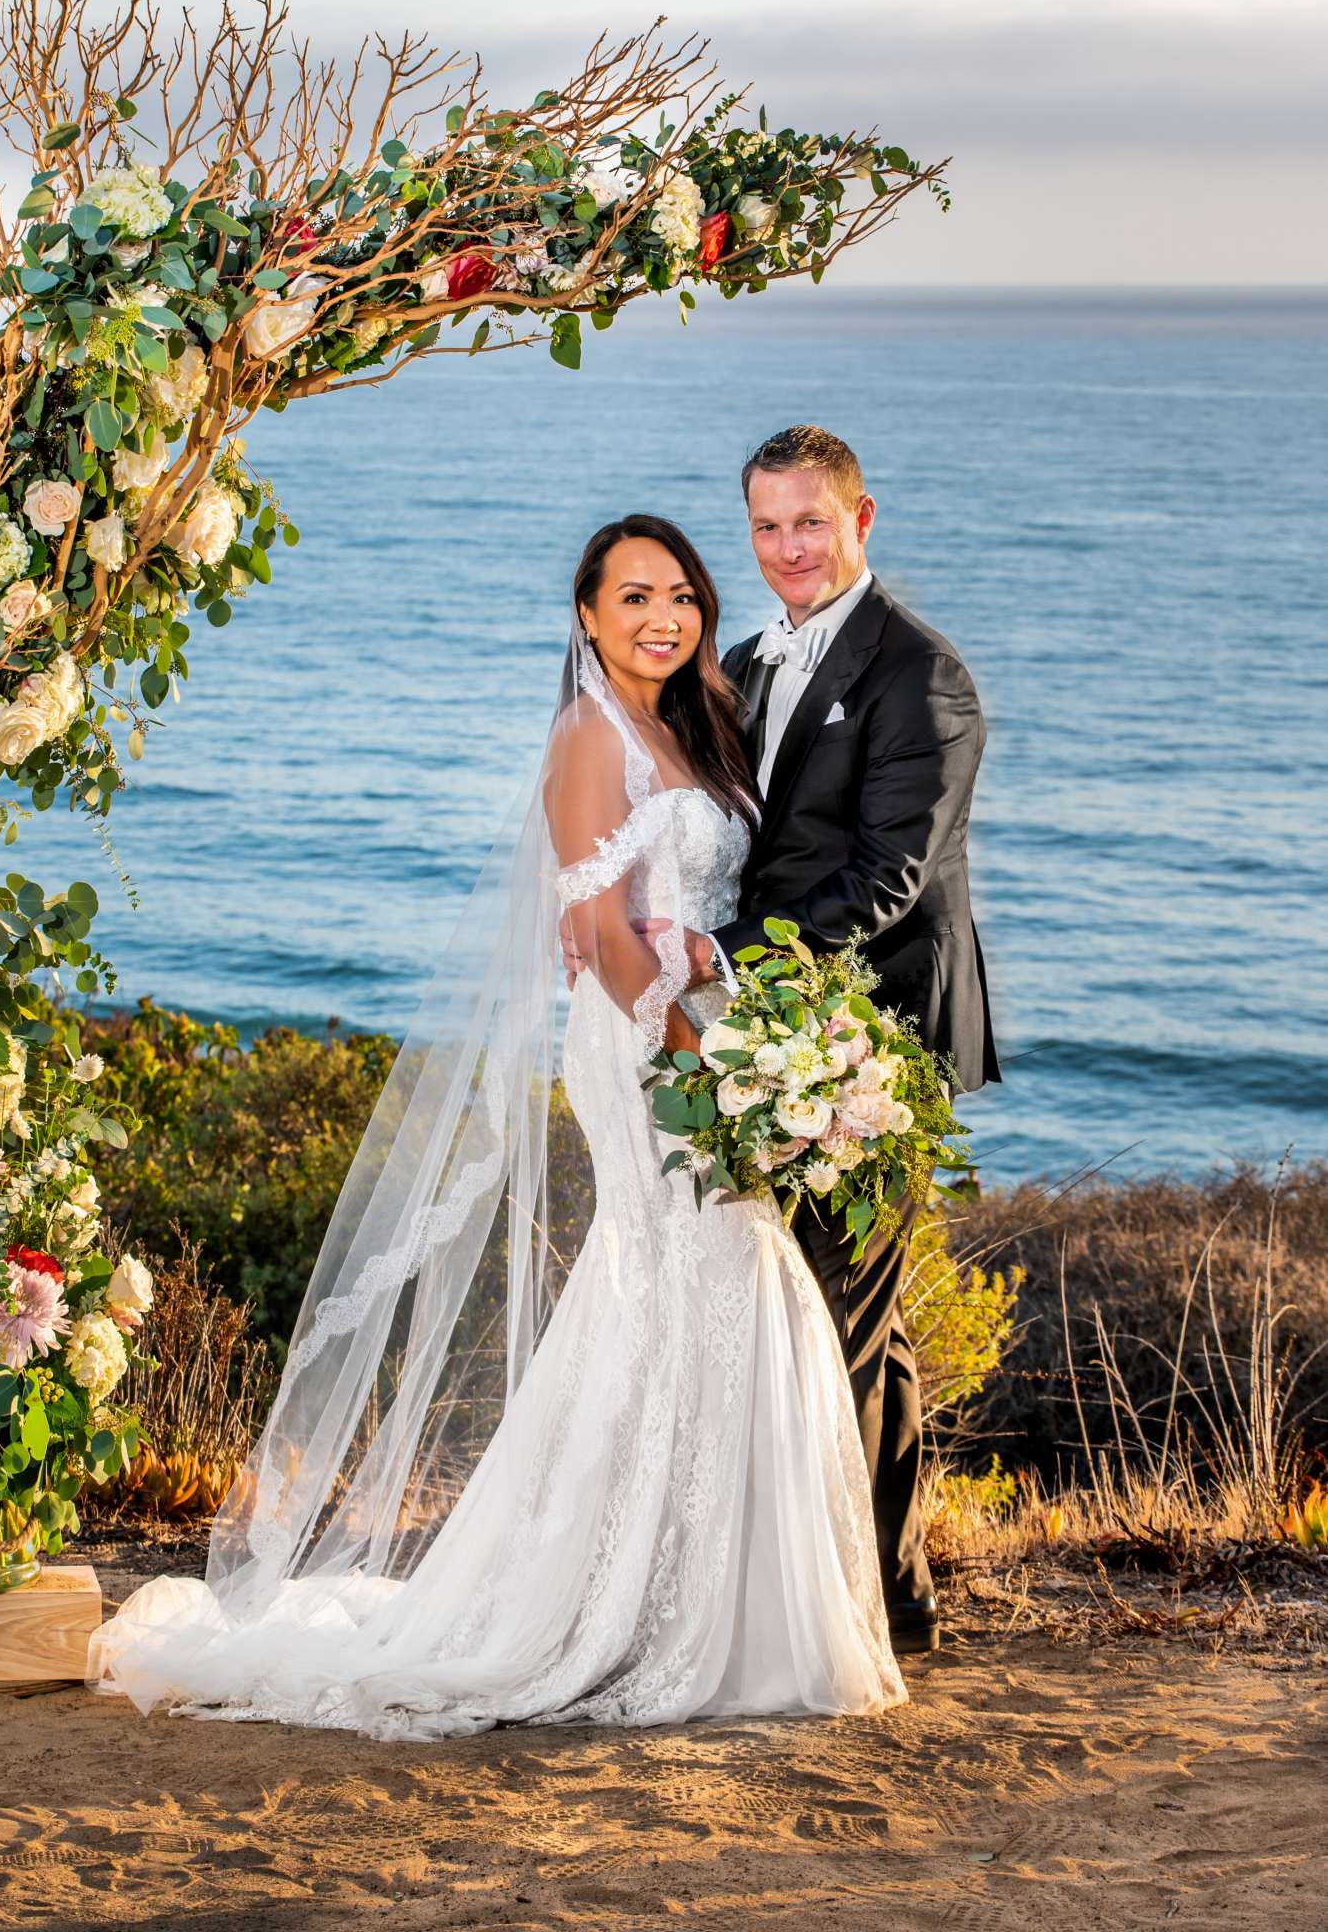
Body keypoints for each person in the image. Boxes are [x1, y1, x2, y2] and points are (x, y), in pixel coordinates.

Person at [89, 516, 904, 1737]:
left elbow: (711, 901)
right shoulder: (589, 736)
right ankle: (636, 1612)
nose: (662, 619)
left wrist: (755, 1037)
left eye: (680, 595)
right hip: (649, 1053)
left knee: (698, 1295)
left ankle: (693, 1606)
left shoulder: (694, 722)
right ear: (586, 615)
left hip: (708, 1039)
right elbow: (602, 933)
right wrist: (716, 1062)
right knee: (712, 1278)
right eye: (632, 598)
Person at [685, 424, 999, 1653]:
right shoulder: (751, 661)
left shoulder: (923, 676)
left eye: (809, 522)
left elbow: (888, 876)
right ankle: (889, 1590)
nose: (787, 549)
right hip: (772, 1032)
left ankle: (868, 1604)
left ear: (864, 520)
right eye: (765, 527)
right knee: (845, 1316)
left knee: (842, 1315)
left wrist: (726, 962)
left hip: (870, 1044)